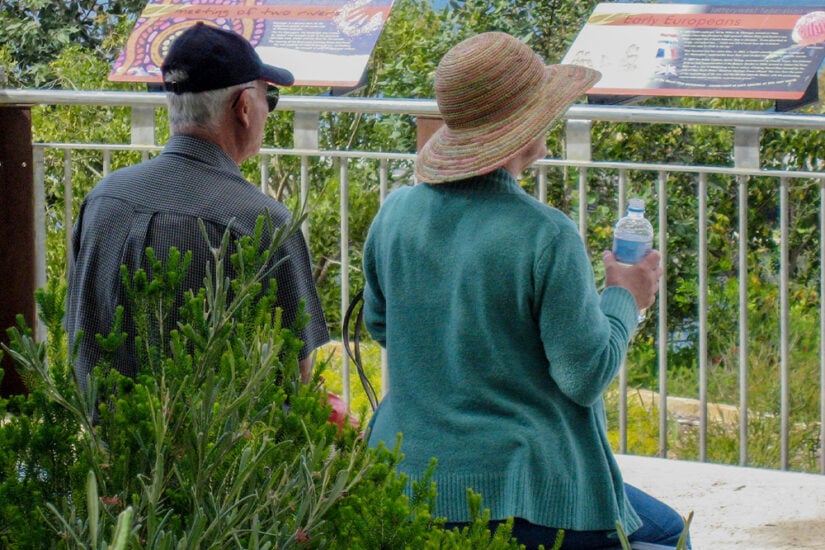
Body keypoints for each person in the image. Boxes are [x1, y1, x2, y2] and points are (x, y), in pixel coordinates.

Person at [362, 32, 688, 549]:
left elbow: (380, 325)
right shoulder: (544, 233)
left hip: (408, 474)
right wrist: (626, 296)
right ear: (525, 128)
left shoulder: (395, 212)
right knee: (673, 534)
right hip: (520, 487)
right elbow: (584, 374)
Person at [66, 22, 329, 389]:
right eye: (268, 98)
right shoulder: (262, 223)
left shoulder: (102, 200)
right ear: (244, 108)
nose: (268, 110)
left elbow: (76, 333)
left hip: (103, 441)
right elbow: (297, 378)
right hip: (219, 446)